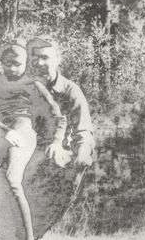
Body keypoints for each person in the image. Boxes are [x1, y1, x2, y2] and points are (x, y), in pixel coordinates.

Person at [0, 41, 67, 240]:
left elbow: (58, 117)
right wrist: (2, 130)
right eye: (6, 63)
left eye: (17, 63)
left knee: (12, 180)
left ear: (26, 63)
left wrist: (57, 141)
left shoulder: (32, 85)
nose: (11, 68)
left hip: (22, 133)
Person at [27, 37, 95, 169]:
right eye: (35, 57)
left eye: (45, 57)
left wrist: (83, 154)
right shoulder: (26, 88)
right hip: (29, 152)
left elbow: (83, 132)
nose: (39, 63)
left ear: (58, 59)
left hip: (59, 154)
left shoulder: (70, 91)